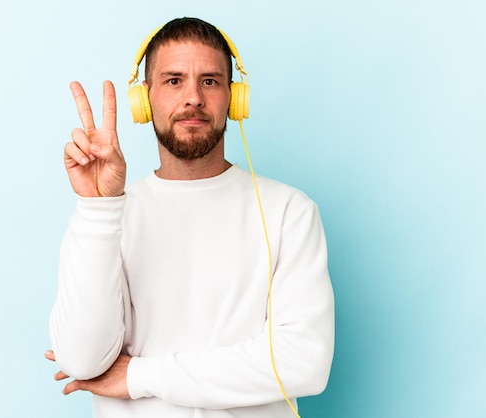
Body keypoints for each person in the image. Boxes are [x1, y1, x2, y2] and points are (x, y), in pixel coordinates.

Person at [46, 17, 334, 417]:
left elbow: (304, 363)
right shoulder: (107, 215)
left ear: (234, 98)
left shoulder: (289, 211)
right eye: (174, 80)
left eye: (210, 81)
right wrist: (98, 208)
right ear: (144, 100)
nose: (194, 98)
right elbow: (81, 360)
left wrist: (138, 377)